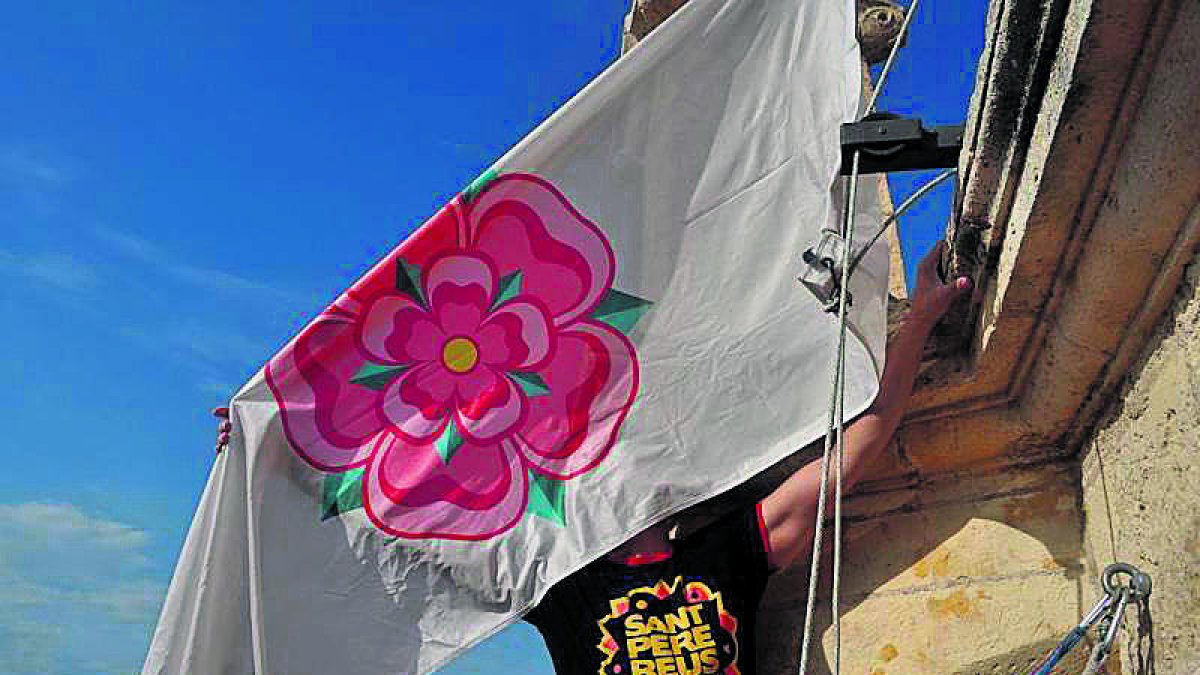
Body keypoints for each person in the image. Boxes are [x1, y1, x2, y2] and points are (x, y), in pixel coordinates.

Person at [213, 241, 970, 675]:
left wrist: (919, 325)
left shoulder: (725, 550)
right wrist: (278, 450)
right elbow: (398, 525)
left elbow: (856, 450)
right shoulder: (561, 580)